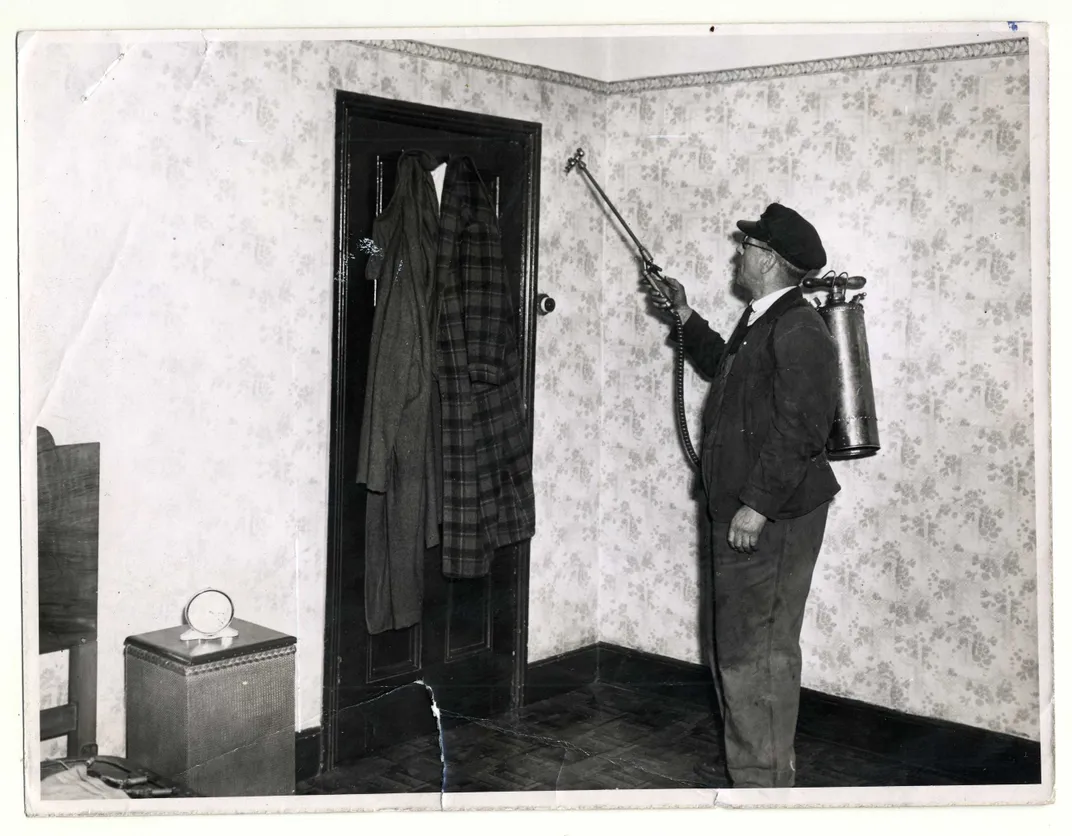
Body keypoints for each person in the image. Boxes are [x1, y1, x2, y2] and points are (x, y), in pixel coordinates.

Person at [645, 203, 841, 789]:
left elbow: (802, 427)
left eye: (748, 248)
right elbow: (722, 368)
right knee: (737, 649)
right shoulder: (763, 319)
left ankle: (762, 793)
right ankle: (761, 775)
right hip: (740, 509)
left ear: (772, 261)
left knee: (752, 654)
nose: (739, 254)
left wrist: (755, 506)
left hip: (769, 515)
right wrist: (684, 314)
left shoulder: (799, 327)